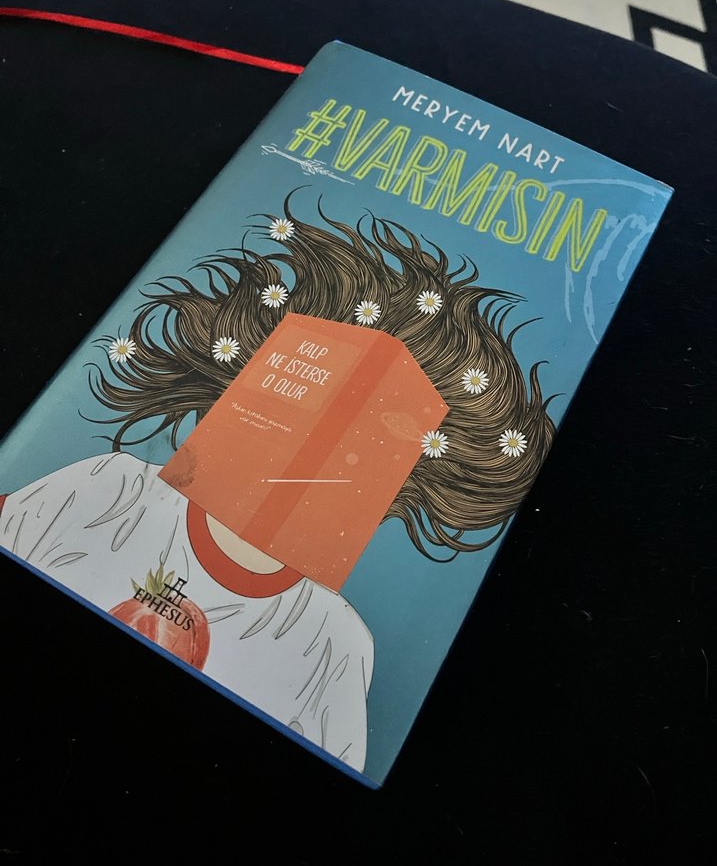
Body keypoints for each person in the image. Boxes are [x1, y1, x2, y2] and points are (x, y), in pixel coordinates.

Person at [0, 193, 556, 774]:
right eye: (305, 395)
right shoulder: (114, 491)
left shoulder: (333, 643)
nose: (318, 443)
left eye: (372, 432)